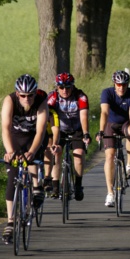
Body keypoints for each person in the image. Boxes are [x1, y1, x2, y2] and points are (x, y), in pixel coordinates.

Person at [0, 74, 48, 244]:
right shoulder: (10, 101)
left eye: (30, 95)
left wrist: (32, 152)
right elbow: (5, 128)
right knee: (12, 177)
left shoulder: (42, 100)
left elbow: (41, 130)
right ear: (17, 94)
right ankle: (10, 222)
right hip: (16, 136)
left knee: (32, 158)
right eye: (23, 95)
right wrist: (10, 151)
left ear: (36, 93)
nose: (27, 99)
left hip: (35, 137)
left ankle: (37, 187)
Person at [96, 70, 130, 207]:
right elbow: (104, 112)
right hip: (111, 124)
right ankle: (110, 193)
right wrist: (101, 131)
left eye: (124, 85)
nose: (121, 88)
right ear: (114, 84)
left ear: (127, 85)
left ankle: (129, 165)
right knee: (109, 156)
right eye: (118, 84)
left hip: (126, 123)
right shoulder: (107, 93)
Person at [46, 73, 91, 201]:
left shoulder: (80, 96)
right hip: (59, 130)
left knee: (79, 154)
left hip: (77, 129)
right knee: (56, 152)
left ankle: (78, 185)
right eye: (61, 87)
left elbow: (83, 116)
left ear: (73, 86)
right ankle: (55, 186)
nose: (65, 90)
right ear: (57, 87)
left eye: (68, 87)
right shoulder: (53, 97)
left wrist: (86, 133)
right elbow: (47, 115)